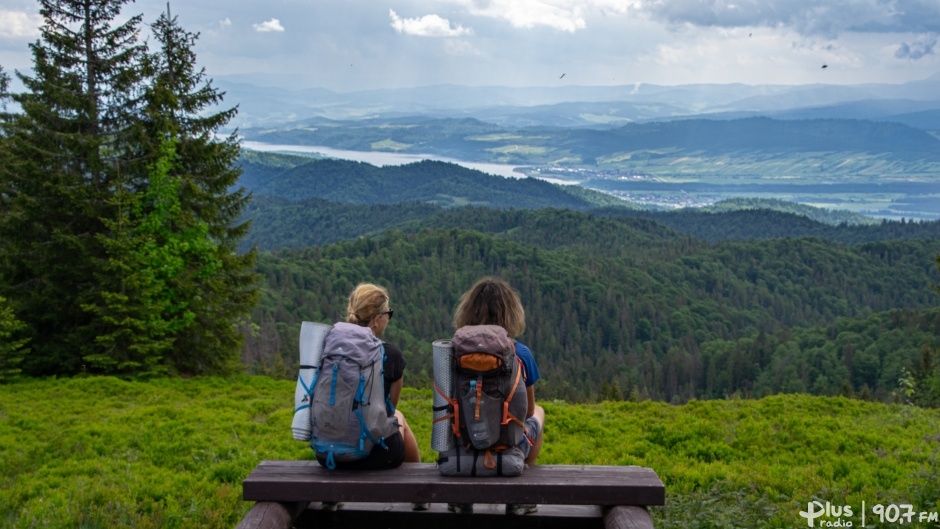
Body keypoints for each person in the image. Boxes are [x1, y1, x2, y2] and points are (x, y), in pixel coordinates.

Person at [450, 276, 546, 516]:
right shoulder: (520, 353)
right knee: (540, 414)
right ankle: (519, 494)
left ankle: (461, 498)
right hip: (505, 445)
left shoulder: (453, 353)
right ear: (511, 313)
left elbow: (444, 404)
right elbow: (528, 411)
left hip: (464, 446)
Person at [317, 283, 422, 469]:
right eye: (388, 313)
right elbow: (389, 409)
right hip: (376, 454)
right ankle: (418, 488)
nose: (388, 318)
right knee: (398, 416)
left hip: (327, 453)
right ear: (376, 319)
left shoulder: (327, 346)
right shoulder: (391, 355)